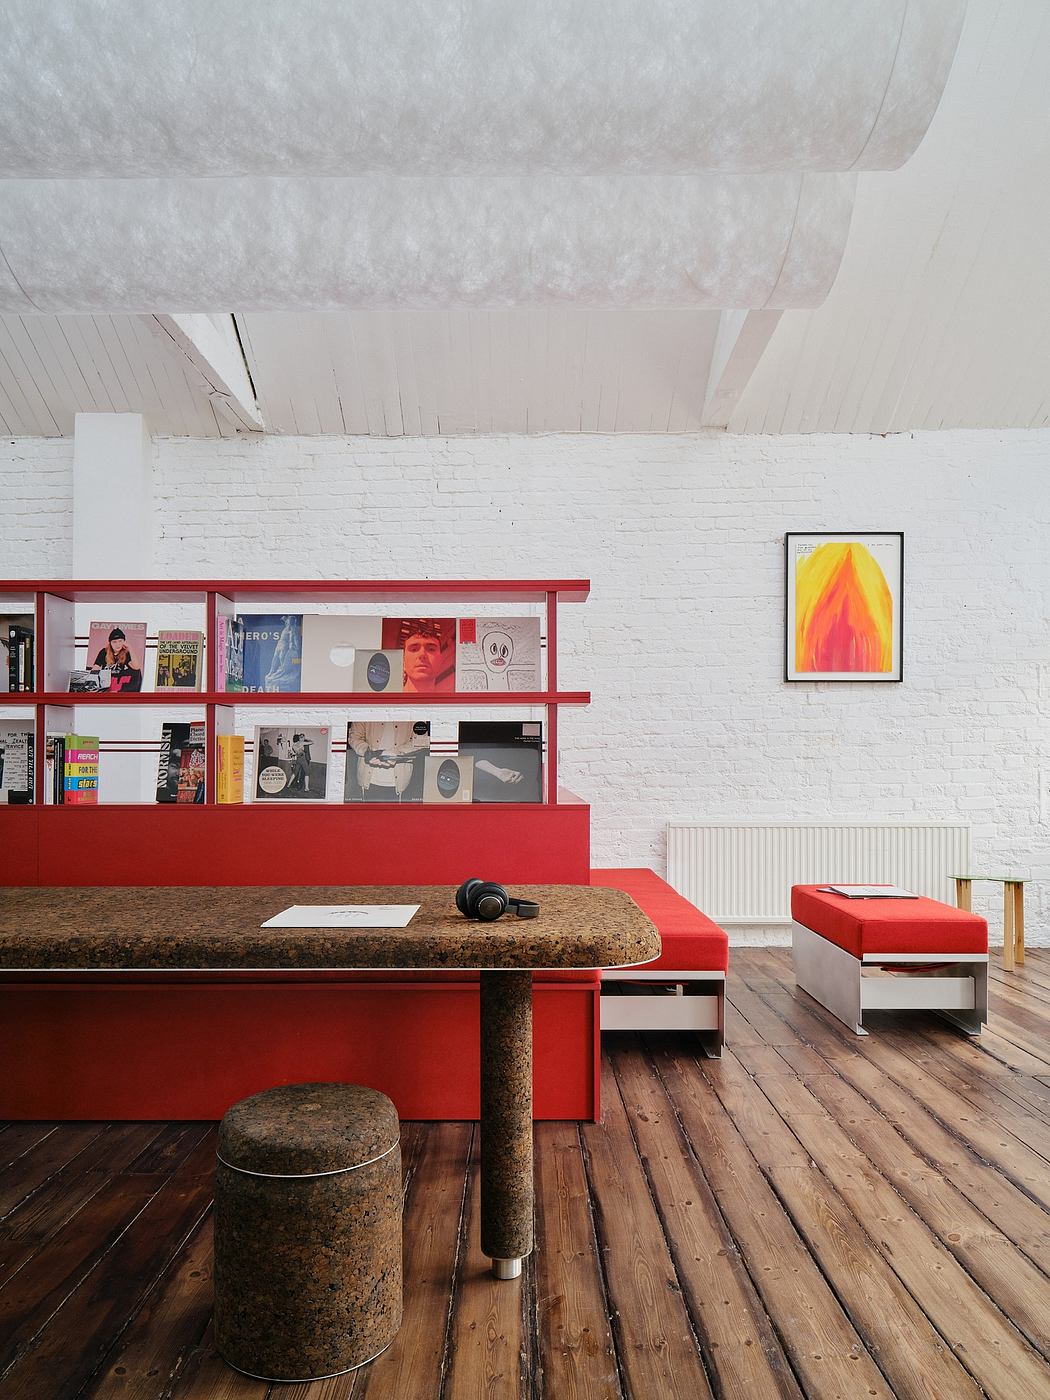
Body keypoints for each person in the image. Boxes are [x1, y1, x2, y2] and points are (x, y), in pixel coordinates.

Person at [346, 721, 429, 801]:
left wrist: (398, 753)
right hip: (367, 779)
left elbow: (421, 740)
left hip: (402, 780)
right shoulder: (364, 709)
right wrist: (367, 751)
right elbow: (354, 737)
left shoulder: (414, 710)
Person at [90, 627, 142, 693]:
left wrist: (130, 648)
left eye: (120, 641)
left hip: (122, 685)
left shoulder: (126, 653)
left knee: (137, 672)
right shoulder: (104, 652)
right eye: (114, 642)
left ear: (124, 642)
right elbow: (96, 668)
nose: (117, 644)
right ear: (110, 643)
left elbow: (136, 667)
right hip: (108, 684)